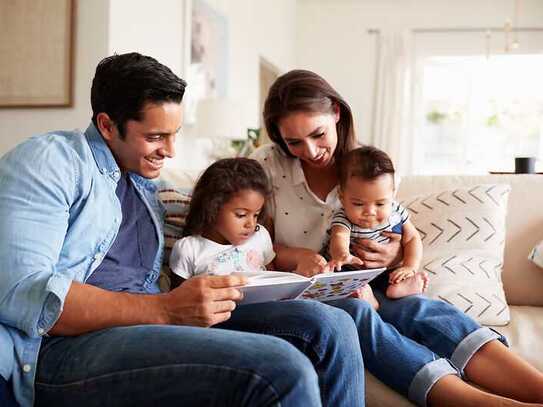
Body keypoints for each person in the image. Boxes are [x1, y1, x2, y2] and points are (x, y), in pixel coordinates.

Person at [0, 53, 366, 407]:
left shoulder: (148, 187)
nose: (171, 151)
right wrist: (164, 309)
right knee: (280, 369)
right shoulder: (51, 161)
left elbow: (225, 220)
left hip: (150, 326)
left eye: (175, 134)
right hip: (62, 348)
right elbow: (23, 293)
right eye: (156, 136)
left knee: (329, 325)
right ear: (108, 125)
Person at [252, 69, 543, 407]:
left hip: (368, 278)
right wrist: (297, 256)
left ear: (336, 112)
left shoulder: (370, 167)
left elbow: (396, 233)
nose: (312, 150)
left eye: (318, 134)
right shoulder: (266, 166)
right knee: (356, 314)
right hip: (306, 287)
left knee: (420, 308)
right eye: (294, 142)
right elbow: (255, 242)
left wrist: (390, 257)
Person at [323, 145, 429, 308]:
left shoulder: (396, 212)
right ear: (342, 197)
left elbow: (413, 238)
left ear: (392, 195)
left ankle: (402, 286)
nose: (370, 212)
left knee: (396, 275)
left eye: (380, 203)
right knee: (339, 279)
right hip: (352, 270)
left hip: (385, 269)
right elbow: (339, 236)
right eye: (358, 204)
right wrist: (342, 255)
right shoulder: (343, 217)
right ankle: (368, 299)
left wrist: (410, 266)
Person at [169, 157, 275, 278]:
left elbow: (272, 278)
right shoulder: (189, 249)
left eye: (256, 215)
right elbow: (179, 295)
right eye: (241, 215)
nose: (251, 224)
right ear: (212, 208)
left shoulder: (260, 236)